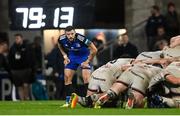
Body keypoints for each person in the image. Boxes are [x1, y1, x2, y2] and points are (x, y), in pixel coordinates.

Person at [58, 26, 97, 107]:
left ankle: (89, 102)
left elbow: (94, 49)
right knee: (67, 78)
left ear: (75, 33)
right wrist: (65, 56)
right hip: (72, 57)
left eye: (72, 34)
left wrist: (87, 61)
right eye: (68, 34)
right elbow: (59, 45)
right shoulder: (61, 39)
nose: (70, 36)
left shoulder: (81, 38)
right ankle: (68, 102)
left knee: (86, 78)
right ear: (65, 34)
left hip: (84, 56)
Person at [8, 33, 35, 100]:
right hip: (16, 70)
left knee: (25, 85)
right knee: (19, 86)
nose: (16, 40)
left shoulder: (27, 47)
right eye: (16, 38)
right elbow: (10, 59)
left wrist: (31, 68)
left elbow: (31, 58)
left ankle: (27, 98)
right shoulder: (13, 48)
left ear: (21, 38)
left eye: (18, 38)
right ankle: (22, 100)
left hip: (25, 69)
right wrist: (11, 69)